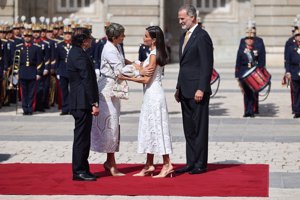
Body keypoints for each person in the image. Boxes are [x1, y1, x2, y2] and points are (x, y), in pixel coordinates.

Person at [119, 26, 173, 178]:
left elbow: (146, 79)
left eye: (146, 36)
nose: (144, 38)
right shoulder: (154, 52)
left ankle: (167, 164)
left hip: (154, 95)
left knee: (158, 129)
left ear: (154, 39)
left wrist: (125, 78)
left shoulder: (154, 55)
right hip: (151, 95)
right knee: (150, 128)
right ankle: (149, 165)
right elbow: (140, 66)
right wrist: (124, 60)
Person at [174, 4, 213, 175]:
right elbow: (183, 66)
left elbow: (207, 65)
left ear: (192, 17)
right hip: (185, 90)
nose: (180, 21)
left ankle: (200, 164)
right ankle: (190, 162)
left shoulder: (202, 36)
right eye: (179, 18)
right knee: (189, 129)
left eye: (182, 18)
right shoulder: (184, 37)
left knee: (199, 129)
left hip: (198, 91)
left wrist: (201, 88)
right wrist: (178, 87)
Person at [91, 23, 130, 176]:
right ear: (114, 37)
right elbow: (119, 71)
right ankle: (111, 163)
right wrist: (139, 72)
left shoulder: (116, 46)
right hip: (106, 90)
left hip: (113, 89)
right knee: (110, 125)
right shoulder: (109, 49)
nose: (124, 37)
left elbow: (122, 61)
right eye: (121, 35)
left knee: (114, 125)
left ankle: (110, 161)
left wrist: (134, 64)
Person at [67, 28, 100, 181]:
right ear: (84, 40)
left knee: (84, 137)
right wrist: (93, 102)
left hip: (81, 100)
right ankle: (79, 170)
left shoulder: (77, 52)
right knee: (81, 138)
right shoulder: (78, 54)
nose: (91, 41)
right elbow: (86, 79)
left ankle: (83, 168)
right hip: (82, 102)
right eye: (89, 38)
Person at [235, 30, 265, 118]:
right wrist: (238, 76)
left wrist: (259, 73)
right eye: (248, 39)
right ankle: (246, 111)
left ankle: (251, 111)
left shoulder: (256, 50)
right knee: (245, 93)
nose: (249, 40)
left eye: (251, 39)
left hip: (253, 74)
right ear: (245, 40)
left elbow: (260, 62)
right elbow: (238, 63)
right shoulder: (241, 51)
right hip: (244, 74)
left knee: (252, 93)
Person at [15, 29, 43, 115]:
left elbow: (40, 62)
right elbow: (16, 61)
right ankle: (25, 109)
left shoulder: (36, 48)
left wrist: (38, 73)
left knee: (31, 93)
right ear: (23, 37)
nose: (27, 38)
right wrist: (16, 73)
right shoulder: (19, 47)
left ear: (31, 37)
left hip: (32, 72)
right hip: (22, 72)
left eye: (29, 37)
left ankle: (30, 108)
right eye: (26, 36)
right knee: (23, 93)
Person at [285, 29, 300, 118]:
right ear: (295, 37)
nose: (299, 37)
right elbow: (288, 61)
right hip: (294, 71)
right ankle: (297, 111)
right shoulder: (291, 48)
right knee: (296, 92)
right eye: (297, 35)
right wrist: (288, 71)